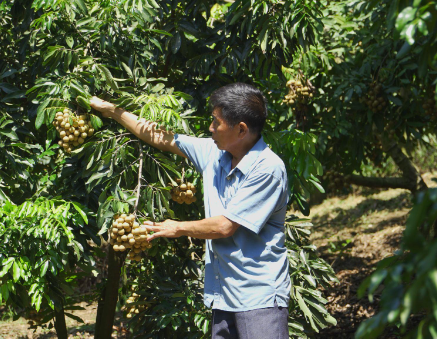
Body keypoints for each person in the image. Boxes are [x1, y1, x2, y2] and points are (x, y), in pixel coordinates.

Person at [90, 82, 290, 339]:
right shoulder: (215, 153)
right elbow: (159, 137)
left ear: (241, 129)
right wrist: (110, 110)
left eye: (216, 122)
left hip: (258, 296)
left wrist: (176, 227)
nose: (210, 128)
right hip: (223, 294)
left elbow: (224, 226)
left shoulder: (268, 169)